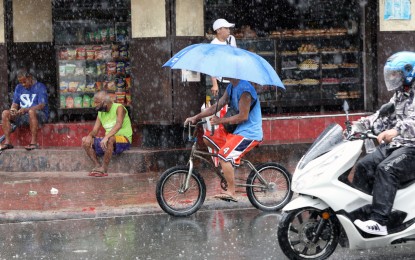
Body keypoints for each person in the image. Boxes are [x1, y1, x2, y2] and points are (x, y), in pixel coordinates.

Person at [353, 52, 415, 236]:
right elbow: (382, 116)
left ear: (409, 72)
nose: (392, 77)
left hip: (412, 148)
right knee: (364, 166)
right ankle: (361, 214)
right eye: (391, 74)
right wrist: (360, 125)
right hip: (398, 144)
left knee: (386, 169)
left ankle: (379, 222)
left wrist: (396, 130)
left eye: (396, 74)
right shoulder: (400, 94)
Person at [184, 78, 262, 202]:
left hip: (249, 133)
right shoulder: (231, 87)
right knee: (208, 138)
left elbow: (243, 116)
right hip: (235, 131)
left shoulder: (245, 91)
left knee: (223, 155)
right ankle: (231, 161)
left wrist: (220, 121)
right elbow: (217, 105)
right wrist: (196, 117)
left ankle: (231, 191)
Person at [82, 91, 132, 177]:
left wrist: (106, 137)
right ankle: (97, 166)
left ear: (105, 102)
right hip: (108, 140)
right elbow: (95, 130)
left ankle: (104, 169)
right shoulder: (100, 113)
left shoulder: (119, 108)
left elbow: (118, 125)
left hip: (124, 139)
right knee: (85, 140)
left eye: (97, 102)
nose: (95, 105)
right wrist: (89, 136)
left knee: (110, 139)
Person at [1, 68, 49, 151]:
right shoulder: (18, 88)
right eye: (20, 82)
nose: (22, 84)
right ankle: (8, 142)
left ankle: (33, 143)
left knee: (31, 111)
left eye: (24, 81)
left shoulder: (40, 86)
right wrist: (13, 110)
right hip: (23, 116)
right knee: (5, 113)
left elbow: (41, 105)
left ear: (30, 78)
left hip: (39, 115)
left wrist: (26, 109)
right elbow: (15, 104)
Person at [210, 18, 237, 96]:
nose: (229, 30)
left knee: (235, 105)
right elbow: (211, 66)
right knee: (223, 104)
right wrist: (215, 84)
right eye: (226, 28)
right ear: (218, 30)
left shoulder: (232, 39)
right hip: (222, 81)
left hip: (234, 79)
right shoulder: (213, 44)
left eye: (229, 28)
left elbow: (236, 56)